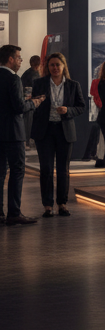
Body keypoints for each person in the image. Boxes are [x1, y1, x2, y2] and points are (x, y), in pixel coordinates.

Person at [31, 53, 86, 217]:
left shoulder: (73, 85)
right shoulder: (39, 83)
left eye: (57, 65)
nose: (55, 68)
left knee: (63, 169)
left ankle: (62, 203)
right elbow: (33, 106)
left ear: (63, 66)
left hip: (64, 131)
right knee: (46, 169)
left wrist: (68, 110)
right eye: (52, 65)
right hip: (45, 131)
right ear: (47, 67)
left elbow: (81, 107)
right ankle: (48, 205)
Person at [0, 44, 45, 225]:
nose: (20, 61)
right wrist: (34, 103)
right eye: (19, 58)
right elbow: (19, 107)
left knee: (0, 173)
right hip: (13, 133)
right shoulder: (13, 78)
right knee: (17, 171)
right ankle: (14, 213)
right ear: (11, 59)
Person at [21, 54, 40, 144]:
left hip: (25, 100)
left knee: (27, 122)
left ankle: (27, 140)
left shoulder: (26, 73)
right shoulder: (34, 74)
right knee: (29, 121)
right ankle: (27, 141)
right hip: (31, 101)